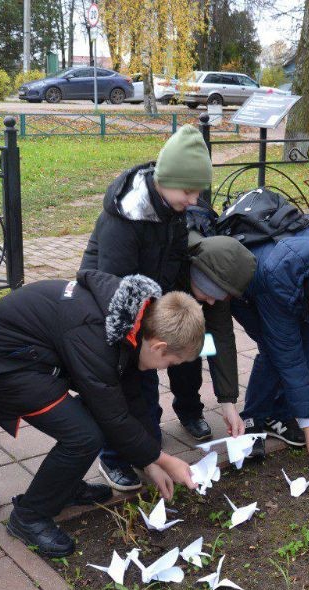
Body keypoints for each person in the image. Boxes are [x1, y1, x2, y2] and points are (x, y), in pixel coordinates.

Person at [0, 271, 204, 556]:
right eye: (171, 362)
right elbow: (112, 415)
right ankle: (29, 516)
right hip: (2, 359)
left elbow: (131, 399)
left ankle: (62, 488)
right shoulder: (95, 333)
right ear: (159, 347)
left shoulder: (131, 321)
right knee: (83, 436)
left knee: (92, 422)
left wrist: (150, 460)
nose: (165, 368)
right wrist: (163, 460)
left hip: (30, 353)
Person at [78, 124, 222, 489]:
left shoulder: (171, 208)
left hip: (147, 303)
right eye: (188, 191)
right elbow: (115, 285)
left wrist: (168, 308)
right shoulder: (126, 217)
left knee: (150, 385)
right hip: (111, 306)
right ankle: (113, 457)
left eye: (198, 192)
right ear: (166, 181)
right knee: (126, 384)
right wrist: (144, 323)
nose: (193, 200)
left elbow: (173, 259)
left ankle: (146, 451)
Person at [231, 216, 309, 462]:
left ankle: (279, 413)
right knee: (276, 354)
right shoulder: (275, 284)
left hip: (298, 285)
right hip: (251, 291)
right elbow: (290, 360)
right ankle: (253, 420)